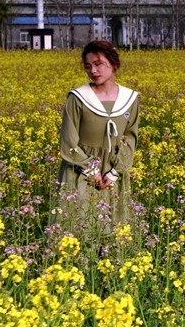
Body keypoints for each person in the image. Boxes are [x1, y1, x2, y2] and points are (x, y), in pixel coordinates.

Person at [57, 40, 140, 231]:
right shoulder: (77, 98)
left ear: (114, 64)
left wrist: (114, 172)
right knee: (79, 226)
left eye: (98, 64)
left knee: (114, 229)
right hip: (81, 172)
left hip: (113, 175)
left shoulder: (130, 99)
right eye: (88, 66)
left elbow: (130, 137)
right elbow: (69, 141)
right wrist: (91, 170)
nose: (93, 71)